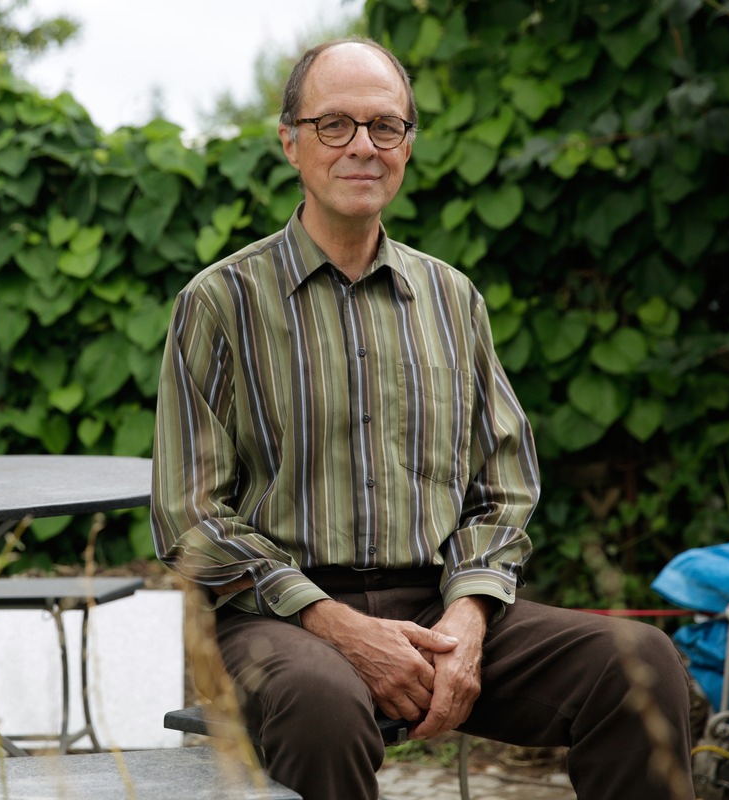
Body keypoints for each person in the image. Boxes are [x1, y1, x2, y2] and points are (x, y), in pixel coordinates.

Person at [150, 37, 694, 800]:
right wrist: (335, 623)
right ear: (291, 143)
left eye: (386, 126)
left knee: (638, 665)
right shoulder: (219, 302)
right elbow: (190, 519)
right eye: (335, 125)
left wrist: (468, 617)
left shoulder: (451, 299)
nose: (363, 147)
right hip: (274, 621)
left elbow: (503, 486)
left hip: (440, 603)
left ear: (407, 144)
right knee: (324, 704)